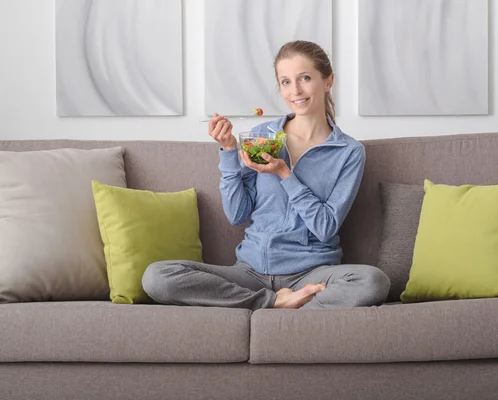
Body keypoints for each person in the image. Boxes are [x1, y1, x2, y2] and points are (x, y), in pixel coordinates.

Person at [142, 40, 390, 310]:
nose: (295, 90)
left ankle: (273, 304)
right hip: (251, 272)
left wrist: (285, 174)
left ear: (328, 81)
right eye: (285, 82)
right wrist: (228, 151)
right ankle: (275, 303)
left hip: (311, 273)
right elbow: (237, 214)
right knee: (157, 277)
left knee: (373, 282)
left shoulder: (348, 151)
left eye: (305, 78)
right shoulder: (262, 137)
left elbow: (325, 227)